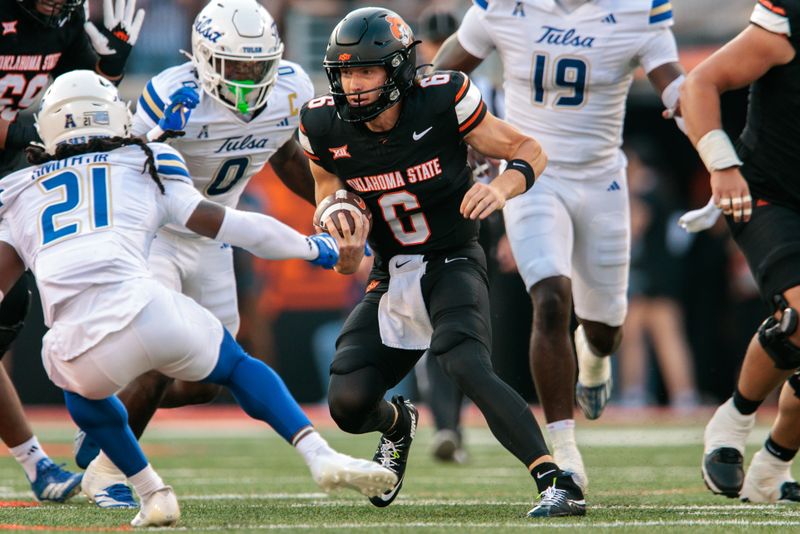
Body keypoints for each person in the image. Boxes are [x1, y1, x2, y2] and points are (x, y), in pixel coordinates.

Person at [0, 69, 398, 527]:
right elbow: (235, 225)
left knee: (80, 392)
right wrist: (315, 248)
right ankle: (318, 452)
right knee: (235, 364)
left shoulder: (16, 191)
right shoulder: (147, 159)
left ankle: (151, 490)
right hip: (150, 311)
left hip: (76, 347)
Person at [300, 7, 585, 518]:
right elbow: (326, 188)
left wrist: (500, 188)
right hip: (390, 269)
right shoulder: (322, 123)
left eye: (366, 70)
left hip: (452, 256)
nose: (354, 84)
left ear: (399, 70)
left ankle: (555, 479)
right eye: (345, 72)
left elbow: (529, 149)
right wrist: (337, 221)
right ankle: (397, 423)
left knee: (464, 363)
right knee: (346, 399)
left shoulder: (441, 99)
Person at [71, 0, 321, 508]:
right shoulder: (168, 92)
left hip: (214, 235)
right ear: (203, 58)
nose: (250, 79)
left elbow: (288, 154)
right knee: (164, 347)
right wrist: (160, 134)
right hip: (157, 233)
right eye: (236, 67)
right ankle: (108, 472)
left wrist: (329, 203)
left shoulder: (292, 88)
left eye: (258, 65)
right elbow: (117, 166)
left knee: (207, 377)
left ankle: (107, 414)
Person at [430, 0, 686, 489]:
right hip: (531, 173)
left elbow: (675, 83)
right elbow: (444, 73)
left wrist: (702, 121)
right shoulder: (504, 7)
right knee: (549, 299)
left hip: (601, 179)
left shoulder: (638, 10)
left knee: (606, 327)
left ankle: (593, 354)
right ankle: (564, 451)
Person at [0, 0, 144, 502]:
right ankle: (39, 460)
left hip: (18, 172)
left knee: (16, 306)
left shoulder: (64, 19)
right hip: (17, 160)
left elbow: (78, 106)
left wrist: (108, 70)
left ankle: (43, 458)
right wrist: (30, 128)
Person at [680, 0, 800, 502]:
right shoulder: (786, 24)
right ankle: (733, 421)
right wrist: (720, 164)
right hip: (767, 191)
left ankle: (771, 468)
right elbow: (700, 83)